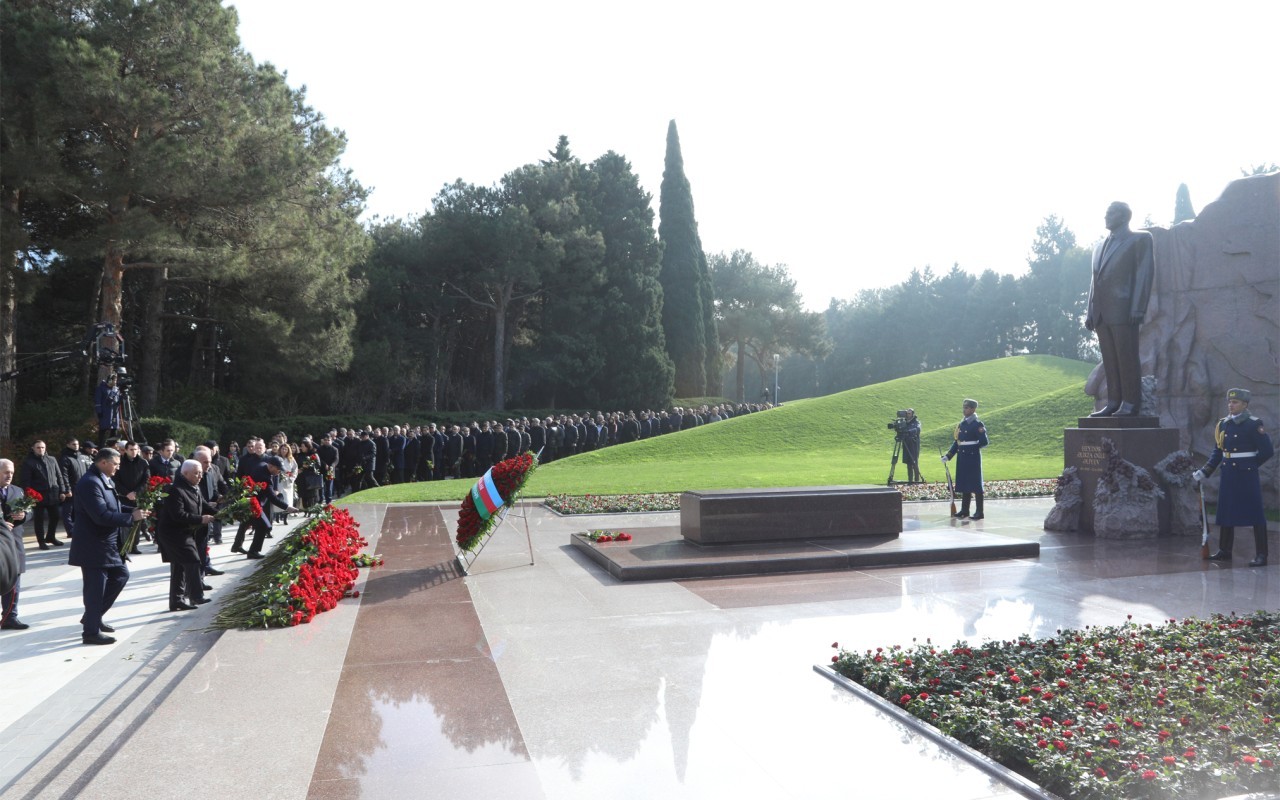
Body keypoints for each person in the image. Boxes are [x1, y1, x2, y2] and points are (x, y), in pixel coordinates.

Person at [69, 448, 149, 645]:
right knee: (95, 589)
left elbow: (115, 506)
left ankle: (93, 617)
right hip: (93, 545)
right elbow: (101, 516)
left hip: (108, 544)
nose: (118, 468)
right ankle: (90, 632)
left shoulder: (104, 479)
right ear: (103, 462)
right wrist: (131, 518)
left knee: (121, 575)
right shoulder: (90, 483)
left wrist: (134, 510)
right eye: (115, 464)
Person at [1085, 201, 1154, 417]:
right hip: (1101, 312)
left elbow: (1144, 274)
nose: (1106, 217)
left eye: (1111, 213)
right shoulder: (1098, 247)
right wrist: (1089, 311)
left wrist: (1138, 307)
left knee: (1127, 358)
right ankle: (1113, 402)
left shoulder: (1140, 239)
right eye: (1106, 213)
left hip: (1124, 308)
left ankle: (1131, 403)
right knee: (1110, 360)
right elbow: (1094, 281)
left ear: (1124, 217)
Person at [1194, 388, 1274, 566]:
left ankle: (1261, 554)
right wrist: (1204, 471)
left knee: (1256, 514)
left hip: (1247, 475)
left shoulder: (1254, 424)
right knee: (1226, 512)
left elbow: (1267, 451)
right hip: (1229, 473)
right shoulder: (1223, 424)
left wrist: (1250, 465)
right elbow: (1218, 452)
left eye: (1235, 402)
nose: (1231, 405)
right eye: (1229, 402)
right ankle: (1225, 550)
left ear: (1245, 404)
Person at [157, 460, 215, 611]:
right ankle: (195, 596)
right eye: (196, 473)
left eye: (201, 473)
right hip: (173, 533)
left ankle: (176, 601)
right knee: (192, 560)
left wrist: (226, 511)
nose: (199, 476)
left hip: (184, 531)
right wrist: (201, 519)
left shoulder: (193, 487)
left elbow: (204, 506)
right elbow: (178, 515)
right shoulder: (175, 489)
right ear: (185, 473)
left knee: (179, 566)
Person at [942, 399, 989, 519]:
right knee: (965, 483)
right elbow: (957, 442)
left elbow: (984, 442)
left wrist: (972, 448)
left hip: (972, 457)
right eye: (963, 407)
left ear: (973, 409)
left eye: (967, 408)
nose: (964, 410)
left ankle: (979, 511)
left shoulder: (977, 424)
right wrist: (948, 455)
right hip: (962, 457)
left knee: (976, 484)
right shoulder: (961, 424)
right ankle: (964, 510)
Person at [19, 440, 71, 548]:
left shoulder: (52, 460)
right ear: (33, 448)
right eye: (38, 447)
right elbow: (26, 481)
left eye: (43, 447)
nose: (41, 449)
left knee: (55, 516)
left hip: (53, 493)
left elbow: (59, 476)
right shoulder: (29, 462)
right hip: (38, 495)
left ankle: (51, 537)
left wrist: (62, 491)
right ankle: (41, 541)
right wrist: (29, 495)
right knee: (39, 519)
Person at [1, 459, 31, 630]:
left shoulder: (17, 491)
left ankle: (10, 616)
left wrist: (24, 515)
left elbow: (30, 511)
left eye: (11, 472)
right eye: (6, 472)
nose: (9, 476)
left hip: (14, 544)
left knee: (14, 582)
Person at [94, 373, 123, 443]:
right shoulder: (101, 388)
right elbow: (97, 401)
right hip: (105, 412)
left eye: (116, 380)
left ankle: (113, 445)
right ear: (110, 380)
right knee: (103, 430)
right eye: (114, 380)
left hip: (115, 413)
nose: (115, 382)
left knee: (114, 429)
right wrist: (99, 411)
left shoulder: (116, 389)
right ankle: (101, 446)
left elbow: (118, 400)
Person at [900, 409, 922, 483]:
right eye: (907, 413)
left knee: (914, 462)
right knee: (908, 463)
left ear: (912, 414)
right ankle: (910, 480)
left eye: (909, 413)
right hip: (906, 443)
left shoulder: (917, 422)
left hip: (914, 444)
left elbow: (918, 429)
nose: (908, 415)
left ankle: (916, 481)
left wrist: (909, 431)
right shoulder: (904, 422)